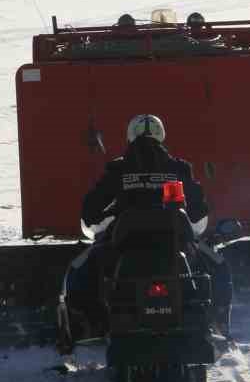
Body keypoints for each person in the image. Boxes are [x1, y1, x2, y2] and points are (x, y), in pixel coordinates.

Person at [58, 113, 210, 351]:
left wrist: (102, 220)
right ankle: (215, 323)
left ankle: (89, 330)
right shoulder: (179, 168)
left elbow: (90, 211)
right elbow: (200, 212)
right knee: (211, 262)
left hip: (124, 246)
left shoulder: (118, 168)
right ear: (162, 135)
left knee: (79, 270)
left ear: (129, 136)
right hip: (173, 246)